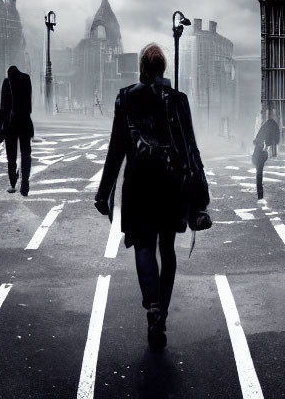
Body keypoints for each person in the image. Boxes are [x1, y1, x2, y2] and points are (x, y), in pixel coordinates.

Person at [94, 44, 210, 350]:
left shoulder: (126, 98)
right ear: (163, 69)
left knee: (143, 245)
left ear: (142, 69)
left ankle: (153, 305)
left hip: (139, 184)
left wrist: (103, 192)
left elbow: (116, 148)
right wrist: (201, 199)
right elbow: (190, 149)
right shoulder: (179, 100)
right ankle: (163, 310)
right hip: (171, 184)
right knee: (167, 248)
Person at [0, 65, 34, 196]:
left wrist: (1, 131)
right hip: (25, 122)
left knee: (11, 157)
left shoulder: (6, 82)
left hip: (10, 125)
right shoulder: (26, 79)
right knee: (26, 154)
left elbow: (3, 108)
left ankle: (13, 183)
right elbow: (29, 103)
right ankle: (25, 181)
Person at [253, 106, 280, 200]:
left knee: (259, 171)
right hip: (262, 150)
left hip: (261, 150)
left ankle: (260, 192)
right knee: (259, 171)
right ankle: (260, 192)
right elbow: (275, 139)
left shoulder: (268, 124)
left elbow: (271, 139)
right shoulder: (271, 124)